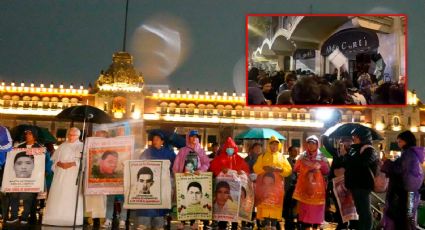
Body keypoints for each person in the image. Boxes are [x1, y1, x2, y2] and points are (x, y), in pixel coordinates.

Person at [381, 131, 424, 230]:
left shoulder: (408, 154)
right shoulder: (413, 153)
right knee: (409, 217)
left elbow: (399, 169)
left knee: (403, 218)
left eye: (400, 141)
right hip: (412, 192)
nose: (398, 144)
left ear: (406, 141)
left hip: (404, 193)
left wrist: (386, 162)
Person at [8, 127, 51, 225]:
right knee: (14, 195)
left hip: (32, 178)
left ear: (34, 136)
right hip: (18, 177)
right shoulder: (19, 146)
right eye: (26, 134)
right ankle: (14, 216)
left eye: (29, 134)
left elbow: (47, 162)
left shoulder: (40, 148)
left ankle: (24, 217)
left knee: (28, 197)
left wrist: (45, 171)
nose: (27, 136)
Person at [43, 127, 84, 226]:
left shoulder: (81, 146)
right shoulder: (62, 146)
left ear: (78, 136)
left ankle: (71, 218)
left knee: (70, 195)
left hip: (73, 175)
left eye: (73, 135)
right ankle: (55, 217)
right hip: (60, 175)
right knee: (58, 193)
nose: (70, 137)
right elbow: (54, 161)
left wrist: (72, 164)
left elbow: (83, 161)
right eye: (69, 134)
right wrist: (59, 164)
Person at [137, 131, 176, 230]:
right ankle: (144, 223)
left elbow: (175, 166)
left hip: (162, 183)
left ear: (162, 141)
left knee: (160, 204)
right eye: (153, 139)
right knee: (147, 202)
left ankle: (159, 224)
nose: (155, 141)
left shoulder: (169, 153)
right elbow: (138, 164)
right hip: (148, 183)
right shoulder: (147, 152)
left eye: (157, 139)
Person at [209, 137, 250, 230]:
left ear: (234, 149)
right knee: (224, 208)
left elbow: (245, 171)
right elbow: (213, 168)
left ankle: (234, 225)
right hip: (224, 187)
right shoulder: (219, 158)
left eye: (231, 148)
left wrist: (240, 172)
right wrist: (221, 170)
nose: (229, 150)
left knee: (234, 206)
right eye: (228, 148)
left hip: (236, 189)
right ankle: (222, 224)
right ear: (225, 149)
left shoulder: (239, 159)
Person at [173, 130, 210, 230]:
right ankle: (182, 221)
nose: (194, 138)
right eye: (192, 136)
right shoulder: (182, 151)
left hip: (196, 179)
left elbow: (206, 163)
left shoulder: (201, 151)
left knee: (194, 200)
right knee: (183, 199)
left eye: (196, 136)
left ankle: (194, 221)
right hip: (184, 179)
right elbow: (176, 165)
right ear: (188, 138)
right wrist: (179, 175)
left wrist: (200, 171)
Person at [343, 127, 379, 230]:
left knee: (365, 211)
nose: (353, 138)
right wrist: (347, 153)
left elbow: (361, 163)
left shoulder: (369, 150)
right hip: (355, 184)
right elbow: (349, 164)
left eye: (355, 136)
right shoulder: (354, 149)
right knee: (360, 211)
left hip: (363, 185)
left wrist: (349, 153)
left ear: (362, 137)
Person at [253, 136, 292, 229]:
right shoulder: (262, 156)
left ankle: (274, 225)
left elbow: (288, 170)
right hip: (265, 187)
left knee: (275, 205)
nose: (274, 146)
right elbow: (255, 168)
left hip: (277, 188)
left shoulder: (282, 157)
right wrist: (263, 168)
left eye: (276, 144)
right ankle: (266, 225)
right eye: (272, 144)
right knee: (265, 205)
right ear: (269, 145)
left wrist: (280, 169)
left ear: (278, 145)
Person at [293, 135, 330, 229]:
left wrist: (318, 166)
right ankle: (306, 226)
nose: (311, 145)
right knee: (305, 207)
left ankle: (315, 226)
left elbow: (326, 170)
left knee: (317, 207)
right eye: (309, 143)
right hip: (305, 186)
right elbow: (295, 168)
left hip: (317, 187)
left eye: (313, 143)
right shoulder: (302, 156)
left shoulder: (322, 156)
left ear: (317, 144)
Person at [283, 146, 299, 230]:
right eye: (294, 151)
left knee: (295, 207)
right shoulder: (285, 161)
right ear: (289, 152)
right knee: (288, 206)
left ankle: (294, 222)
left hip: (297, 187)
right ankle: (288, 224)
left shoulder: (298, 161)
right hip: (288, 186)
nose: (296, 152)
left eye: (296, 151)